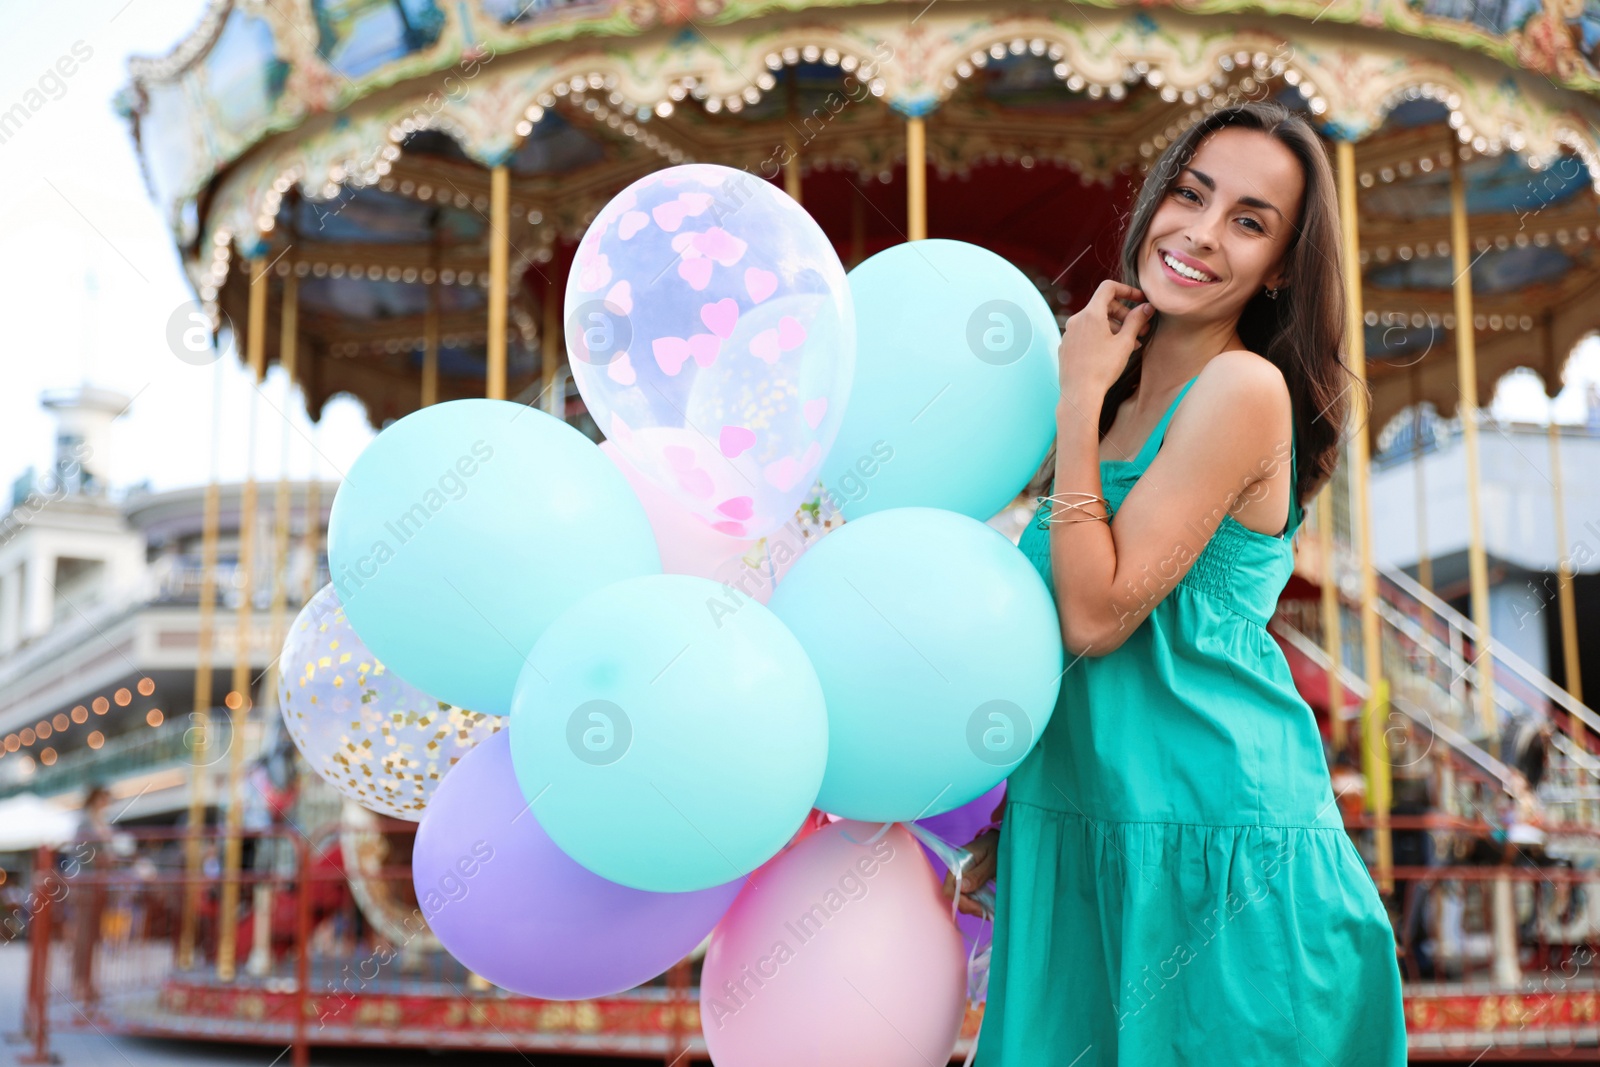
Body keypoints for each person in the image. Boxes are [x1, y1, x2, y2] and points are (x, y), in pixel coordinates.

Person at [945, 100, 1407, 1064]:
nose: (1199, 232)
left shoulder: (1241, 389)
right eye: (1189, 195)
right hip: (1081, 837)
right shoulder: (1111, 390)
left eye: (1248, 220)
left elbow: (1098, 613)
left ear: (1280, 265)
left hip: (1212, 846)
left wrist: (1075, 403)